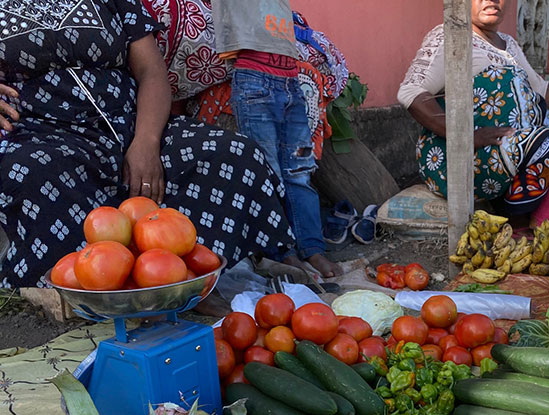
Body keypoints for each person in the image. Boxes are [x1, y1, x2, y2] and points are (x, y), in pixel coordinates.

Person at [0, 0, 296, 289]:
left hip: (130, 120)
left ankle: (189, 278)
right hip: (39, 131)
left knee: (232, 153)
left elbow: (151, 72)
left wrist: (146, 141)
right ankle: (82, 286)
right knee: (28, 170)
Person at [398, 0, 549, 213]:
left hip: (506, 146)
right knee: (542, 140)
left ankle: (523, 202)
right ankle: (516, 218)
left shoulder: (508, 44)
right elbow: (410, 92)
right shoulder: (450, 36)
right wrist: (467, 136)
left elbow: (543, 91)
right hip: (458, 156)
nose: (492, 0)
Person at [212, 0, 339, 276]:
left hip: (291, 82)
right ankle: (281, 252)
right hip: (255, 81)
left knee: (300, 171)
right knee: (270, 174)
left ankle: (312, 249)